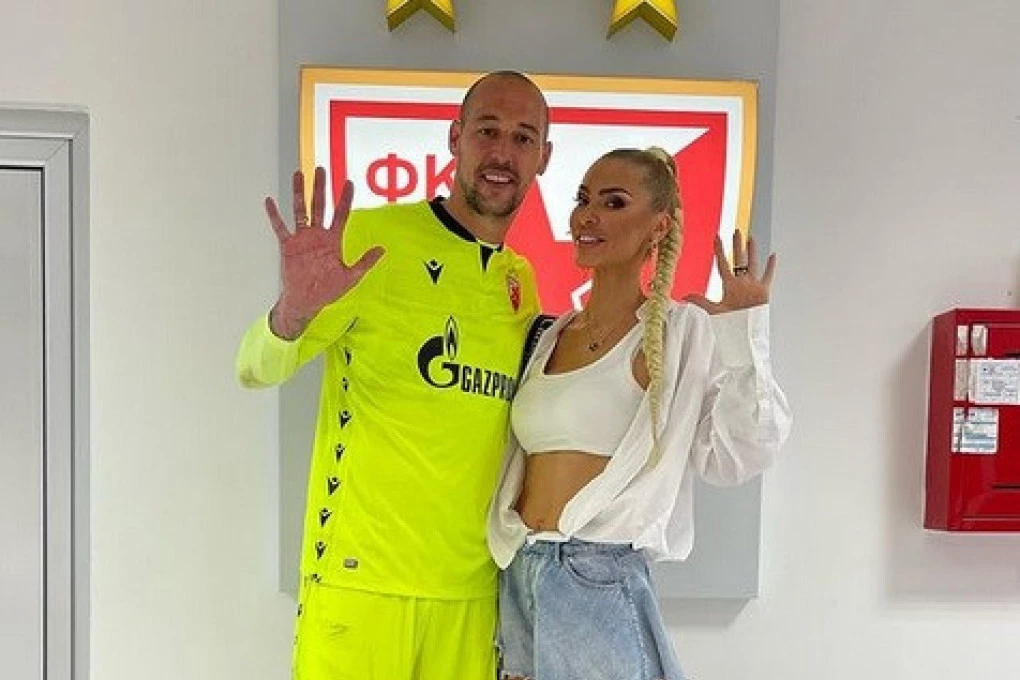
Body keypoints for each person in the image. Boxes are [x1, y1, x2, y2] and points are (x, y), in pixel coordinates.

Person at [236, 70, 553, 680]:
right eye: (487, 130)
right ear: (455, 138)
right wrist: (292, 313)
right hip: (361, 588)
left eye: (523, 137)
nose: (502, 153)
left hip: (470, 597)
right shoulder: (371, 242)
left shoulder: (521, 281)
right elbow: (253, 368)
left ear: (544, 156)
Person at [488, 147, 792, 680]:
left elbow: (738, 455)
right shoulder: (548, 336)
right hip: (520, 571)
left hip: (596, 578)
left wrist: (745, 338)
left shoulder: (678, 332)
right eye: (583, 199)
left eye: (613, 203)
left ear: (659, 227)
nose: (588, 215)